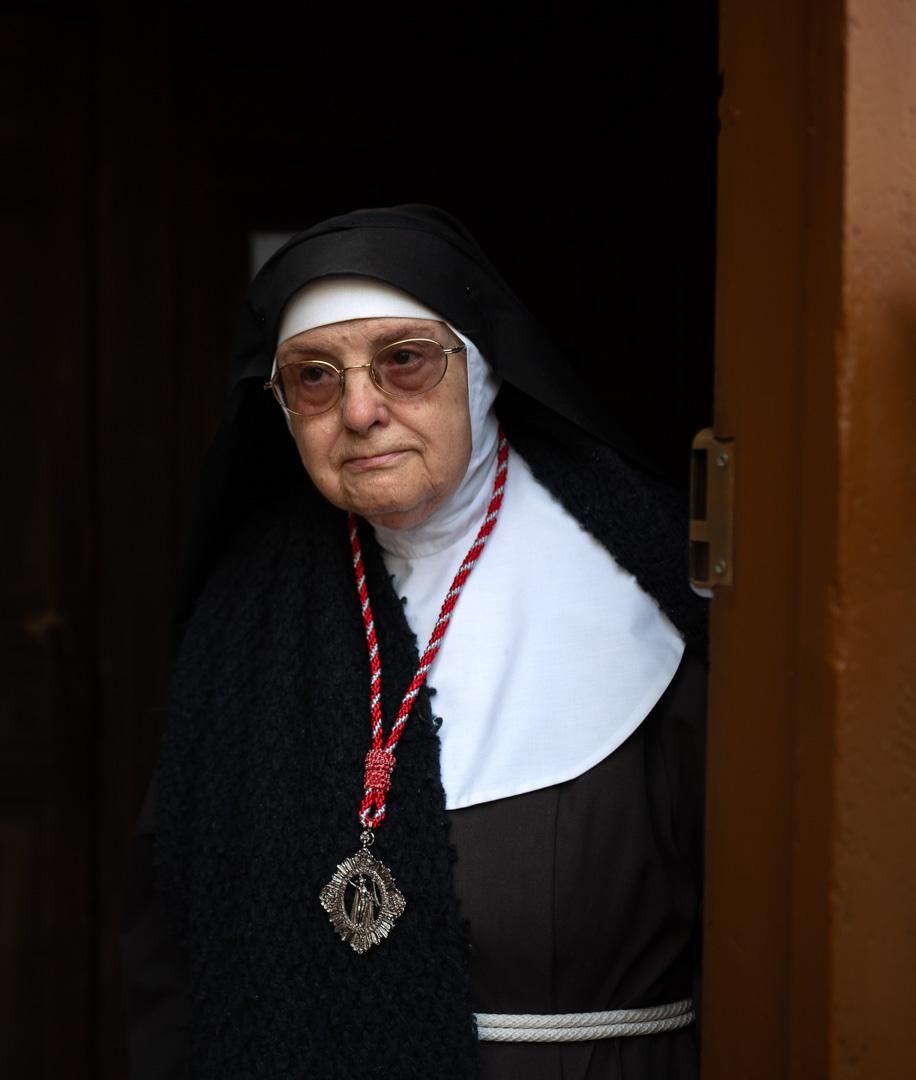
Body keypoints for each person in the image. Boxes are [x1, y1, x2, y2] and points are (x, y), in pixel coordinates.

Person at [125, 206, 706, 1078]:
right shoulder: (244, 622)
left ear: (479, 371)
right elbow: (174, 940)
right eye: (315, 379)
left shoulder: (650, 578)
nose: (361, 411)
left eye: (404, 361)